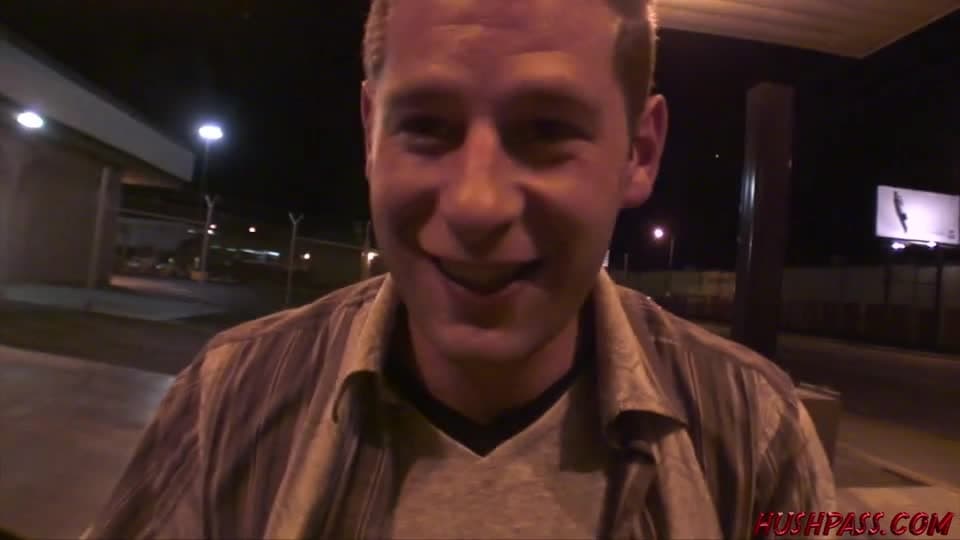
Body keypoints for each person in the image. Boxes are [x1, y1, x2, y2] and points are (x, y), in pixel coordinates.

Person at [83, 0, 835, 538]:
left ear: (639, 152)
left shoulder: (752, 431)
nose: (477, 204)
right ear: (372, 136)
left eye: (547, 129)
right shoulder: (229, 402)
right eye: (426, 126)